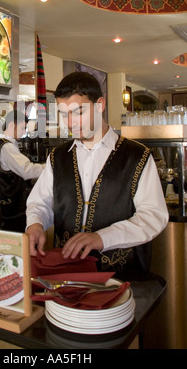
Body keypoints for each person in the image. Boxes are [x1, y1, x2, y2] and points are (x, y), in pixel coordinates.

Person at [26, 72, 168, 273]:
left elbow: (153, 216)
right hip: (67, 272)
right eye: (64, 114)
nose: (70, 122)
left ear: (100, 105)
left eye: (78, 112)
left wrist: (103, 237)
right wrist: (36, 224)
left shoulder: (138, 156)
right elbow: (39, 203)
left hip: (122, 275)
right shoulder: (57, 157)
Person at [0, 109, 45, 232]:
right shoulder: (7, 147)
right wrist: (51, 166)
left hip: (10, 207)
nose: (23, 133)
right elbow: (27, 171)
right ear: (12, 125)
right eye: (22, 128)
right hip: (14, 209)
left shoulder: (1, 144)